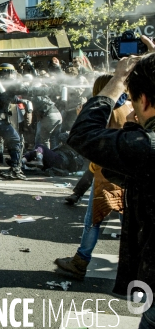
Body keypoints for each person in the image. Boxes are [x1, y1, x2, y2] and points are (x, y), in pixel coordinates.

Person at [64, 36, 155, 329]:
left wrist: (117, 80)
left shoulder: (146, 146)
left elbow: (82, 135)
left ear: (143, 99)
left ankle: (80, 259)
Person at [54, 75, 132, 279]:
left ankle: (80, 262)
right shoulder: (129, 108)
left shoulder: (103, 111)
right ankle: (134, 263)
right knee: (127, 220)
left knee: (93, 220)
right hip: (125, 173)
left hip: (105, 174)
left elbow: (90, 140)